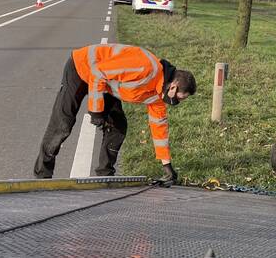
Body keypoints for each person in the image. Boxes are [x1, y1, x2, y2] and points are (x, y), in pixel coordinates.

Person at [34, 44, 196, 181]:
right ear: (173, 87)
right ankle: (42, 175)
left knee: (117, 126)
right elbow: (97, 72)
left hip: (105, 83)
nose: (178, 102)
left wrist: (166, 165)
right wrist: (96, 112)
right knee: (63, 123)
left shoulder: (159, 95)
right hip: (82, 67)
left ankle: (105, 175)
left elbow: (159, 127)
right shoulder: (145, 67)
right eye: (180, 98)